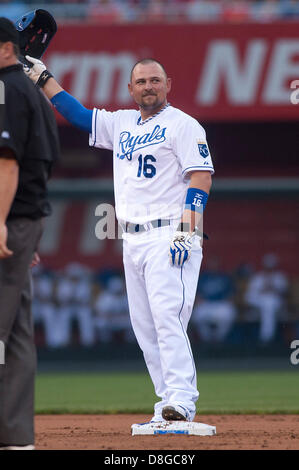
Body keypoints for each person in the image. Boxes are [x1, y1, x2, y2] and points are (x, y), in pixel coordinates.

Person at [24, 54, 214, 422]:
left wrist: (188, 231)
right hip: (133, 238)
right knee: (145, 325)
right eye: (141, 82)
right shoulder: (122, 123)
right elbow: (79, 115)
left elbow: (201, 177)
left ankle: (183, 399)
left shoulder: (184, 125)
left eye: (155, 80)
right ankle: (167, 404)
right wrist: (43, 77)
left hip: (170, 232)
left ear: (168, 84)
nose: (148, 87)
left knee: (166, 317)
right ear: (130, 89)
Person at [0, 18, 59, 449]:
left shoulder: (5, 89)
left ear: (5, 49)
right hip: (24, 221)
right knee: (17, 333)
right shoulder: (32, 92)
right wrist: (26, 229)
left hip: (10, 222)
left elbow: (7, 163)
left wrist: (2, 222)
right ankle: (16, 439)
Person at [245, 253, 289, 343]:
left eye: (271, 267)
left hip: (276, 306)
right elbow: (249, 296)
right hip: (257, 306)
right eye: (267, 266)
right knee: (267, 305)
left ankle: (266, 339)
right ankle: (266, 338)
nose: (269, 269)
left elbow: (284, 293)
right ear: (264, 266)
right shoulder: (258, 277)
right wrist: (263, 290)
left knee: (269, 304)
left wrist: (272, 289)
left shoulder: (279, 277)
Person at [192, 256, 236, 343]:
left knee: (228, 314)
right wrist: (198, 299)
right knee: (197, 316)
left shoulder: (224, 277)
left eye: (215, 263)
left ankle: (219, 339)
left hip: (221, 304)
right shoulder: (202, 277)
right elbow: (196, 294)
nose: (213, 265)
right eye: (212, 263)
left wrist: (229, 300)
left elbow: (231, 294)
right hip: (206, 304)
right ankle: (207, 340)